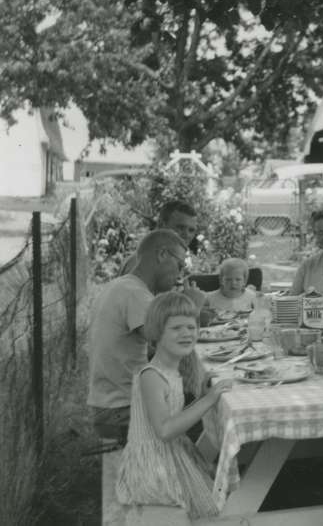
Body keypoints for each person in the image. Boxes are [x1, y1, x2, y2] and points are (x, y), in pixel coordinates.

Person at [116, 292, 234, 519]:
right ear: (157, 333)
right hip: (152, 466)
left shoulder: (173, 368)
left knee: (203, 506)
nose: (186, 334)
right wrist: (208, 400)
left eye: (191, 327)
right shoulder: (151, 375)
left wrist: (207, 389)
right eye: (176, 328)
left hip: (171, 454)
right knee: (185, 514)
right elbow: (165, 430)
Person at [88, 229, 188, 444]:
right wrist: (193, 307)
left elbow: (150, 347)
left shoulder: (119, 285)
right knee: (198, 404)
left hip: (106, 403)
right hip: (121, 408)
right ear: (162, 254)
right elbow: (173, 346)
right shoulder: (136, 294)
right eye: (180, 265)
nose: (180, 275)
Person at [120, 200, 198, 276]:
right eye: (180, 227)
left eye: (191, 230)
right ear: (161, 225)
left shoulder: (168, 263)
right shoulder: (141, 262)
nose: (187, 235)